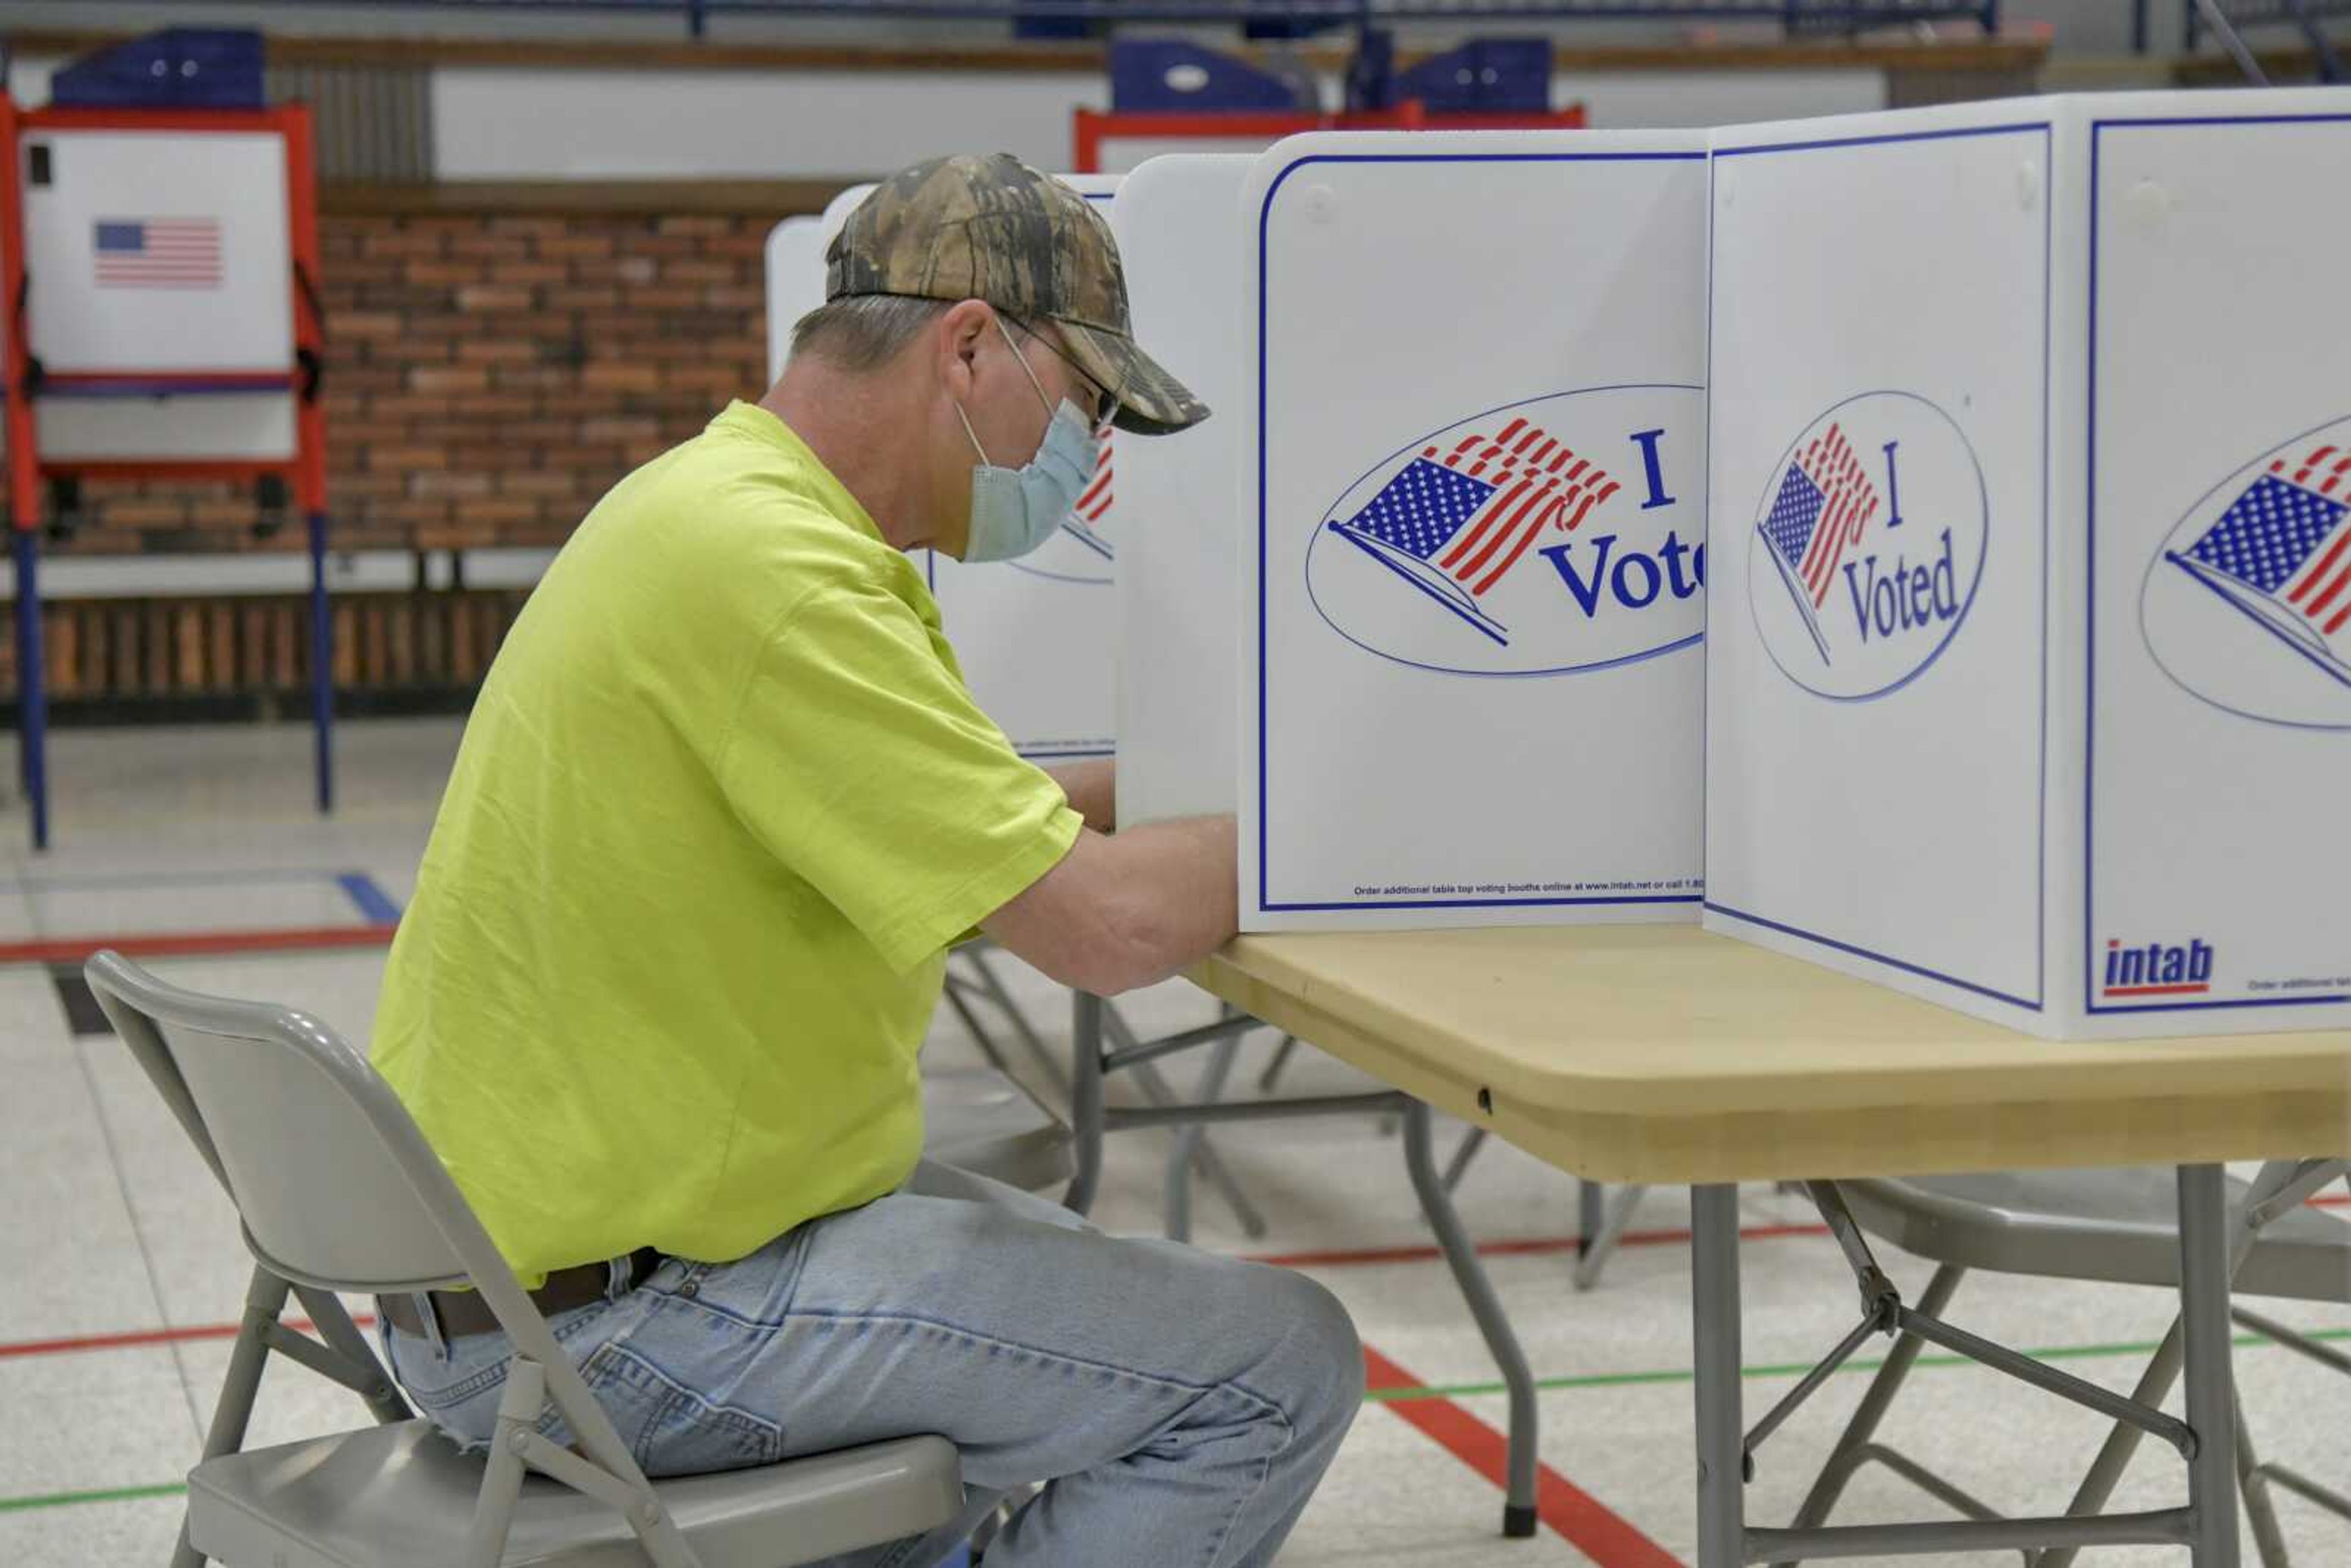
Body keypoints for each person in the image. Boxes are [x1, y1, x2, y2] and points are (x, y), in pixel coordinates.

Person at [367, 152, 1362, 1566]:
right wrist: (1351, 837)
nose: (1087, 452)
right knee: (1276, 1365)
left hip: (526, 1274)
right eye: (1082, 403)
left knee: (1041, 1307)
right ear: (967, 348)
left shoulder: (718, 511)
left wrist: (1190, 790)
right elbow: (1108, 934)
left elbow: (969, 810)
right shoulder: (780, 579)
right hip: (614, 1324)